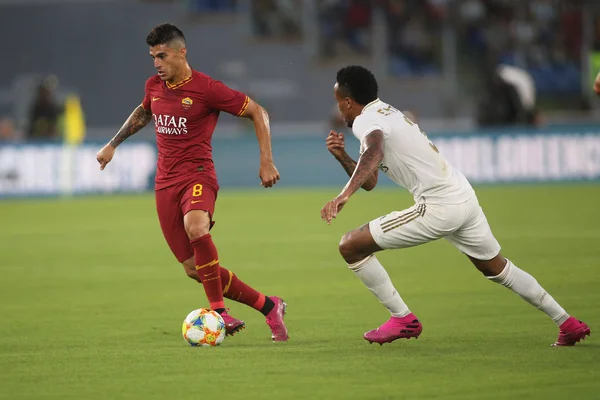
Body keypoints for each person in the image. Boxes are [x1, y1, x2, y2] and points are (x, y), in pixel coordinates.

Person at [321, 65, 590, 346]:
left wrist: (343, 194)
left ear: (349, 101)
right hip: (462, 195)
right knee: (497, 268)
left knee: (350, 246)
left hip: (438, 206)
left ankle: (402, 318)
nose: (340, 111)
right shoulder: (384, 111)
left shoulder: (366, 121)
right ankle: (567, 322)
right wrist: (342, 156)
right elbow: (371, 179)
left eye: (340, 103)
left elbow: (374, 149)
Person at [95, 23, 288, 342]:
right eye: (152, 57)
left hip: (198, 175)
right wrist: (113, 144)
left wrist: (266, 159)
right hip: (165, 185)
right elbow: (145, 112)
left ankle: (219, 312)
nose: (156, 63)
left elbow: (258, 111)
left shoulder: (207, 89)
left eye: (162, 55)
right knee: (194, 269)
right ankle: (269, 306)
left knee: (197, 227)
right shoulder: (154, 86)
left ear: (181, 53)